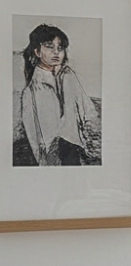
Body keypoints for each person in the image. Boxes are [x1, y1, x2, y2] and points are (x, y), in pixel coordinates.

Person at [14, 24, 101, 166]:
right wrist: (43, 158)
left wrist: (90, 131)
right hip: (51, 150)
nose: (56, 52)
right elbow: (33, 133)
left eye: (60, 48)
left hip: (74, 144)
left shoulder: (68, 76)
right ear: (37, 52)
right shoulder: (32, 90)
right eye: (49, 47)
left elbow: (87, 107)